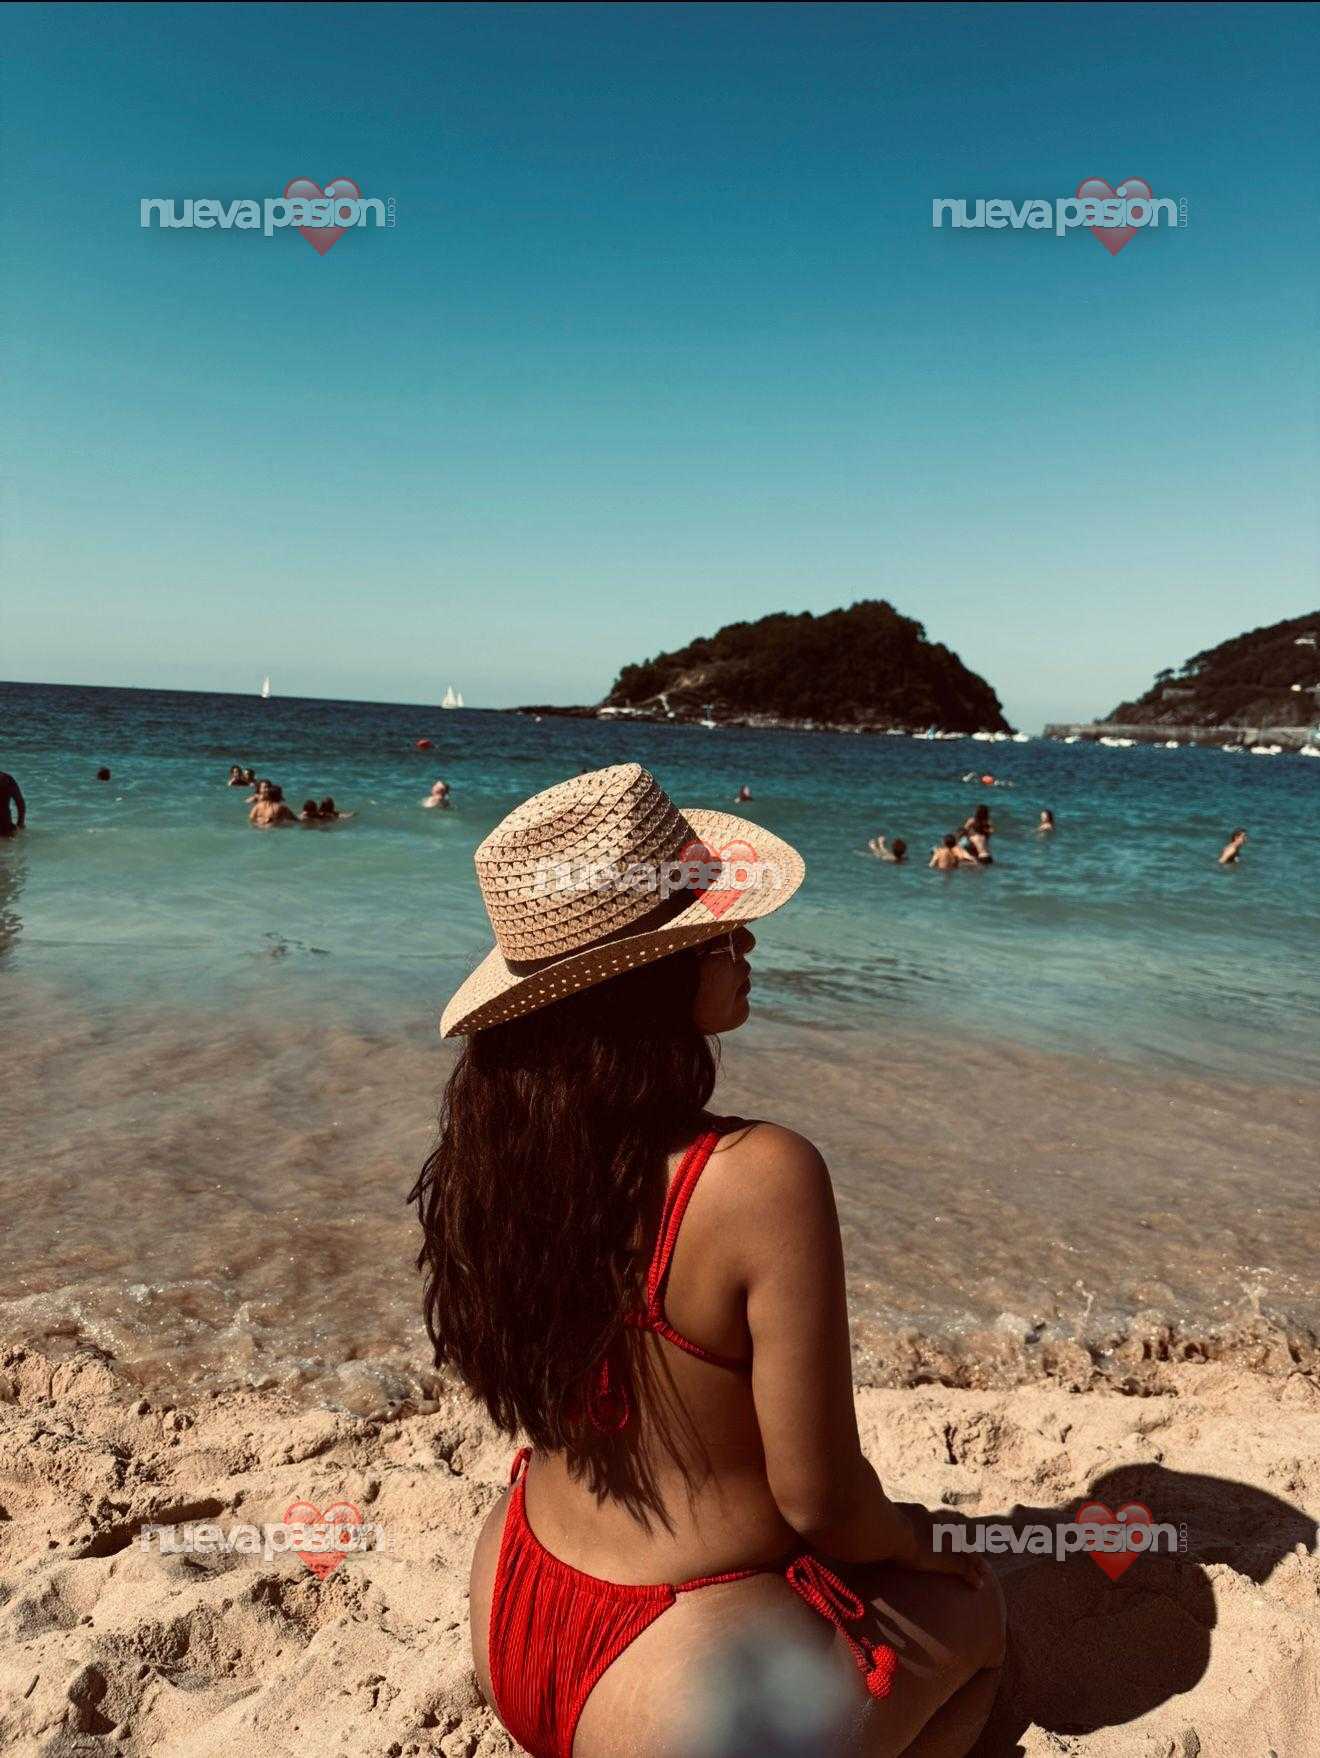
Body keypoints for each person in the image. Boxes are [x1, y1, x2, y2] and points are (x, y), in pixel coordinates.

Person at [413, 764, 1006, 1758]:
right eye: (717, 934)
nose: (748, 944)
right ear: (646, 980)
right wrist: (918, 1539)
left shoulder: (499, 1154)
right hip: (676, 1689)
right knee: (979, 1618)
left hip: (515, 1610)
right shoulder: (757, 1176)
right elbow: (821, 1500)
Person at [0, 772, 25, 836]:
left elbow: (20, 802)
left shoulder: (8, 780)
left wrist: (20, 824)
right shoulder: (7, 779)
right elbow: (20, 802)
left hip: (5, 823)